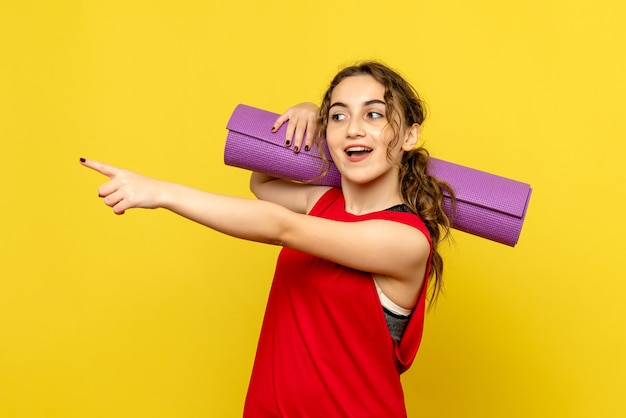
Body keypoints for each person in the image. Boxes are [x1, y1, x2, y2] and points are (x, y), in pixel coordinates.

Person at [80, 61, 454, 417]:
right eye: (339, 116)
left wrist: (161, 192)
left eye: (373, 114)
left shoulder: (407, 239)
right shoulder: (320, 202)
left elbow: (280, 225)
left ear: (409, 135)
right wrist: (307, 116)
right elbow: (262, 183)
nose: (353, 129)